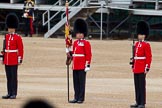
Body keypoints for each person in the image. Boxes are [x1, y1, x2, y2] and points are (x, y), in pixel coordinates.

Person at [67, 18, 92, 104]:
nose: (79, 35)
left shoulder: (86, 43)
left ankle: (81, 98)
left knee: (81, 83)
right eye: (78, 33)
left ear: (83, 34)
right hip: (75, 65)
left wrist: (87, 65)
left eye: (81, 33)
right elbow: (73, 53)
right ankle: (76, 97)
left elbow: (88, 54)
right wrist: (69, 54)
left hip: (82, 65)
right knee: (76, 82)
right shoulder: (75, 43)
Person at [1, 13, 24, 99]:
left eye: (11, 28)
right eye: (9, 28)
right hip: (7, 59)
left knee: (14, 77)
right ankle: (9, 92)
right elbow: (4, 48)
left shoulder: (17, 37)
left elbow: (20, 49)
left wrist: (20, 59)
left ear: (14, 28)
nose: (9, 29)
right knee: (8, 77)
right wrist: (2, 57)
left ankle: (14, 93)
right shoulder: (6, 36)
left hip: (14, 59)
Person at [130, 21, 152, 108]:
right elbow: (135, 56)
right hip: (136, 67)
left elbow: (148, 57)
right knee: (137, 85)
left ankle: (142, 103)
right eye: (139, 34)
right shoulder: (136, 44)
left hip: (142, 67)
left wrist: (147, 67)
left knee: (142, 86)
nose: (139, 36)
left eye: (141, 34)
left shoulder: (146, 45)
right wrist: (133, 63)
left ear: (144, 35)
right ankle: (137, 101)